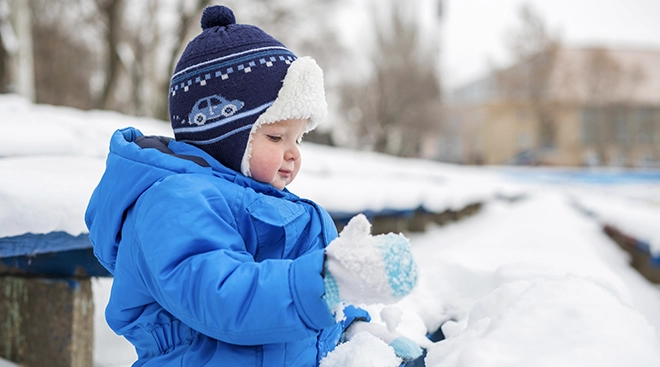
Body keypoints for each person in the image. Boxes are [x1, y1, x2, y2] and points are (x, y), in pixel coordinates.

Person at [85, 5, 419, 366]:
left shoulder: (265, 201)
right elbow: (224, 296)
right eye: (276, 136)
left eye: (298, 139)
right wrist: (331, 278)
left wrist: (356, 334)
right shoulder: (173, 202)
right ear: (221, 134)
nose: (293, 155)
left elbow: (299, 304)